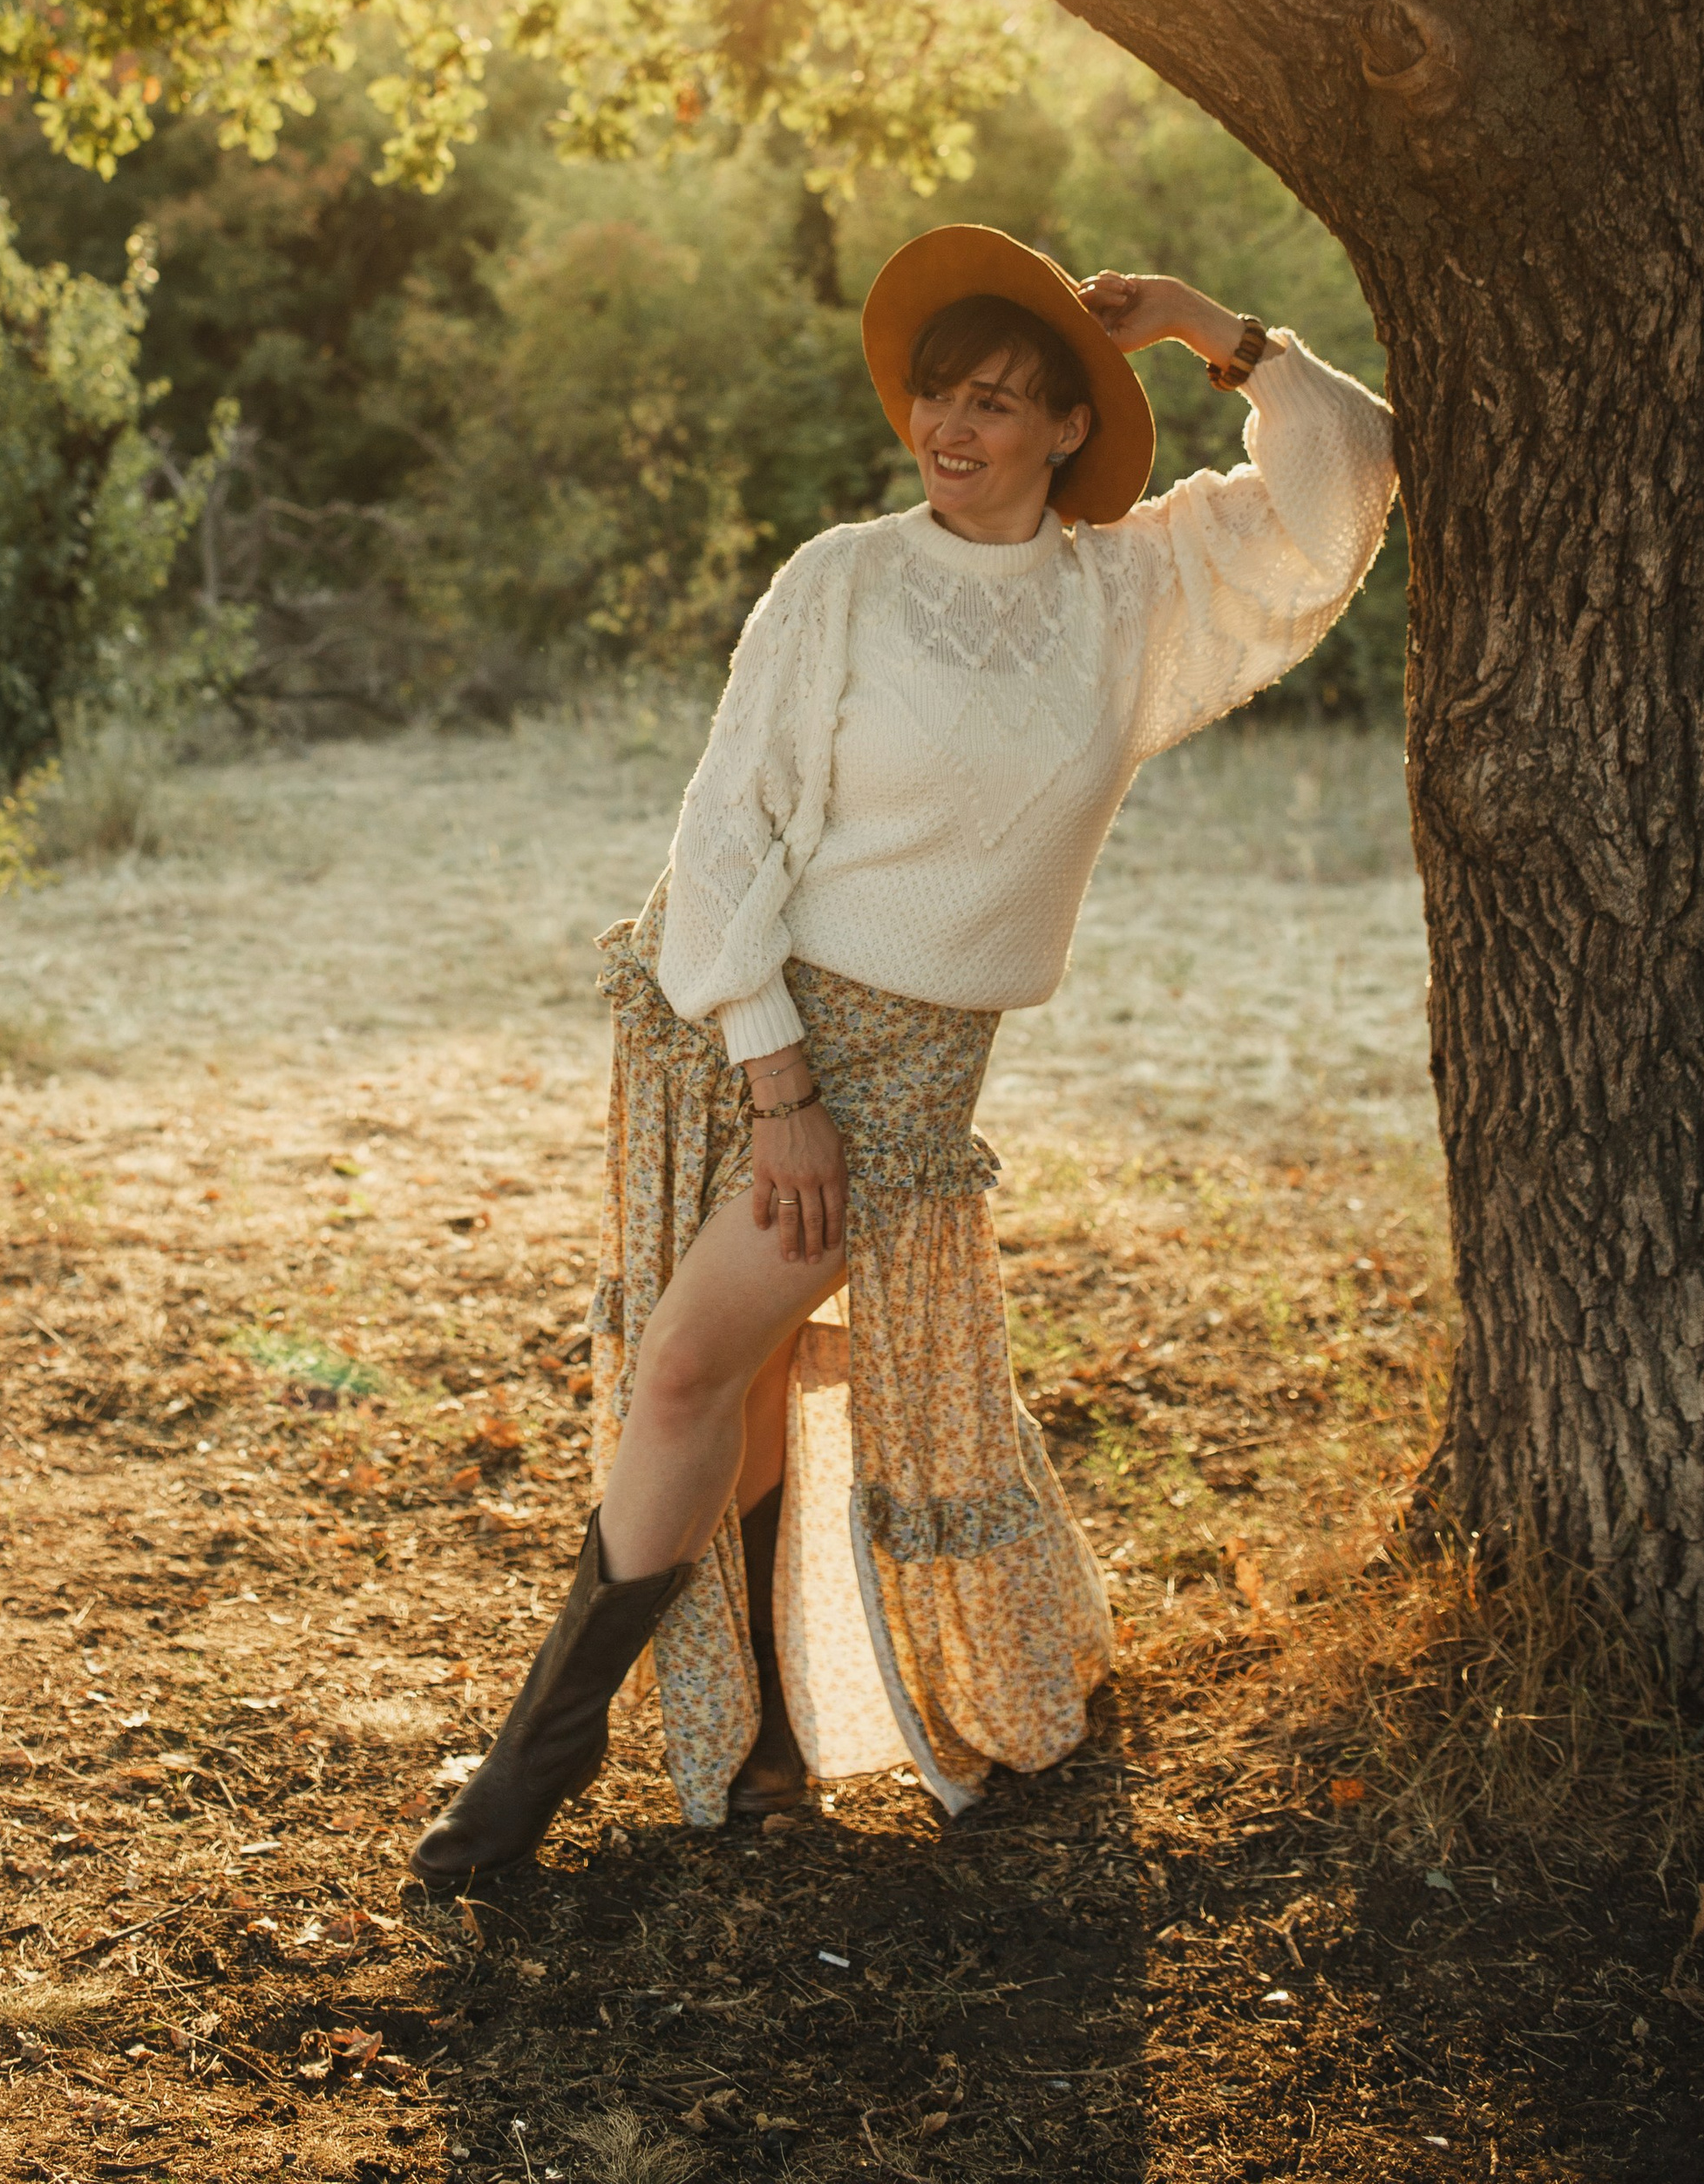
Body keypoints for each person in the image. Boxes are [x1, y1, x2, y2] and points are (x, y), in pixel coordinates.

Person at [411, 224, 1396, 1877]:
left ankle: (539, 1769)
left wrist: (1216, 332)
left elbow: (1344, 490)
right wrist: (776, 1081)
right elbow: (732, 825)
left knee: (702, 1371)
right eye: (945, 391)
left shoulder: (1133, 592)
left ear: (1070, 430)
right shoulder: (845, 578)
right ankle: (657, 1747)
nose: (961, 425)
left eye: (1008, 402)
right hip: (737, 1019)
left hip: (912, 1065)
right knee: (718, 1376)